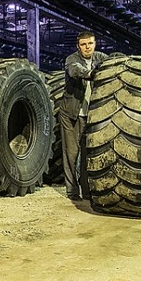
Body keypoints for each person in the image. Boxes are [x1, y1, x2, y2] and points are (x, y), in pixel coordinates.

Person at [59, 31, 108, 201]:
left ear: (95, 44)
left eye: (90, 44)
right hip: (71, 114)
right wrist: (91, 74)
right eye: (83, 44)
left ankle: (87, 191)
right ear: (78, 46)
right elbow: (74, 71)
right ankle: (72, 191)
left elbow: (113, 64)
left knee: (88, 154)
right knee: (71, 154)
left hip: (91, 115)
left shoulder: (101, 58)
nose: (87, 47)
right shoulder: (72, 59)